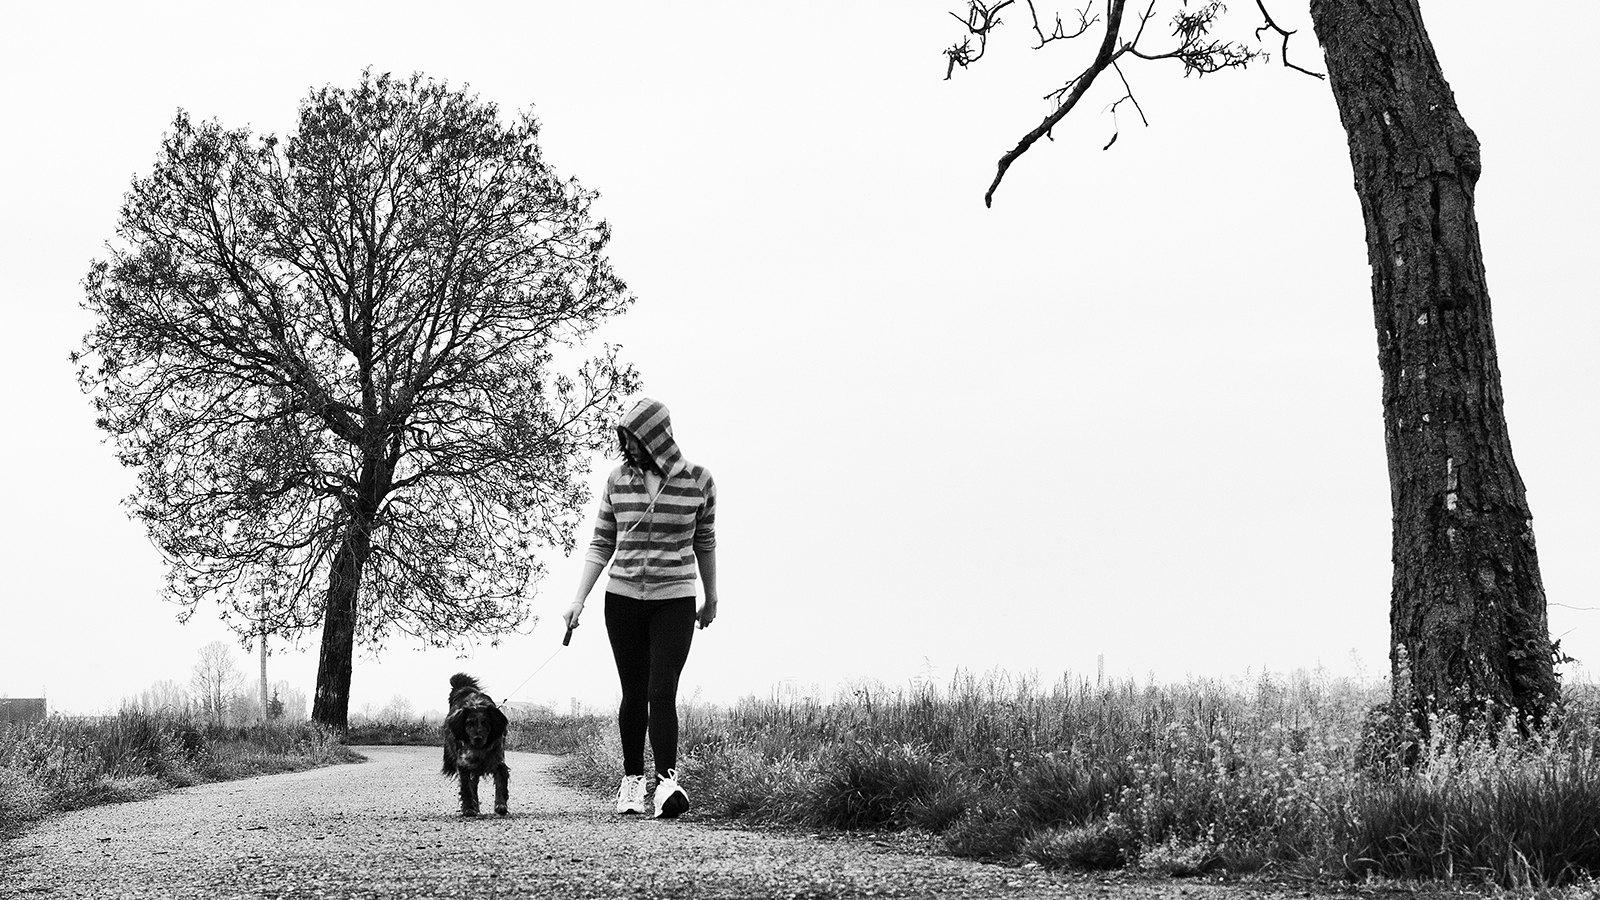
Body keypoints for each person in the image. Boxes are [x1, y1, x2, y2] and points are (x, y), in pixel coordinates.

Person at [564, 398, 718, 819]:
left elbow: (705, 541)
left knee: (662, 690)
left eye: (633, 438)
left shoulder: (699, 481)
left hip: (676, 598)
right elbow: (601, 542)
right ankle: (632, 781)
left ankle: (666, 784)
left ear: (655, 436)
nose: (627, 447)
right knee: (634, 692)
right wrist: (578, 599)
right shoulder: (617, 480)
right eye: (624, 439)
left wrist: (712, 595)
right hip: (623, 599)